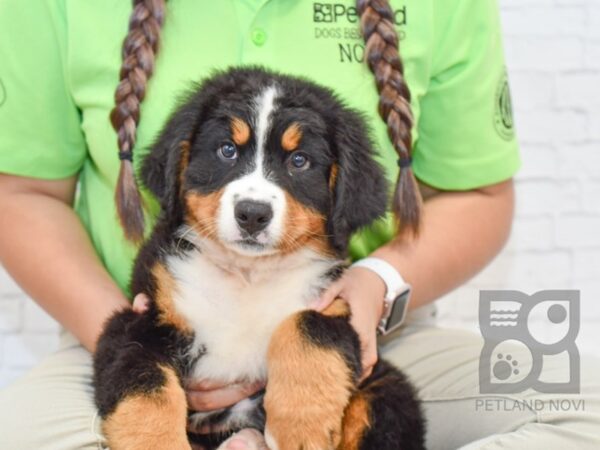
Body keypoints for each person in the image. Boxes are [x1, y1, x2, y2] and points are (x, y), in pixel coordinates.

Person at [0, 0, 598, 449]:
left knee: (584, 399)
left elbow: (479, 195)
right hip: (116, 325)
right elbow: (21, 195)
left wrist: (376, 286)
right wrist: (124, 337)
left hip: (375, 329)